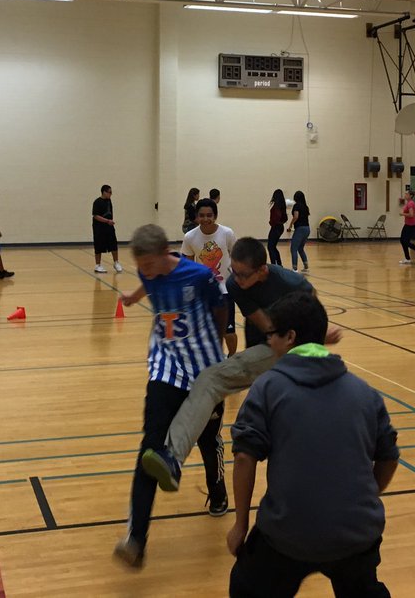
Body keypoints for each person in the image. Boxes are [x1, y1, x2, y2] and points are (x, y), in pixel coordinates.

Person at [226, 291, 400, 597]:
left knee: (246, 587)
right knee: (360, 584)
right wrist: (365, 497)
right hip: (357, 532)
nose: (269, 343)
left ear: (290, 337)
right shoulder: (365, 392)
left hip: (288, 533)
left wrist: (240, 524)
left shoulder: (267, 387)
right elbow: (388, 456)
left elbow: (244, 458)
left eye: (272, 335)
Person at [138, 237, 333, 496]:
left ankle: (173, 457)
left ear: (262, 270)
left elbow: (306, 318)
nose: (236, 280)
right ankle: (175, 457)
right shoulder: (235, 285)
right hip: (272, 344)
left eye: (243, 275)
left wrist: (316, 335)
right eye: (234, 272)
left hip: (287, 349)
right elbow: (266, 327)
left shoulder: (291, 282)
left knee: (210, 380)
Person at [113, 224, 229, 568]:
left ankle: (217, 490)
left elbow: (222, 308)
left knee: (208, 438)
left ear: (166, 253)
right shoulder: (147, 273)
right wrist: (134, 296)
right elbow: (148, 284)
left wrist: (217, 345)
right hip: (165, 366)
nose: (144, 272)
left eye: (148, 265)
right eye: (141, 267)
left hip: (205, 369)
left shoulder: (200, 276)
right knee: (150, 449)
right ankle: (136, 540)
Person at [182, 198, 237, 355]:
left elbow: (237, 256)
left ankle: (232, 359)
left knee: (229, 331)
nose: (205, 219)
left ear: (215, 216)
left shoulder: (227, 233)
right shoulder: (190, 237)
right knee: (206, 330)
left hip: (225, 290)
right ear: (197, 217)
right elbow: (188, 267)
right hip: (203, 291)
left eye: (209, 215)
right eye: (202, 215)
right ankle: (213, 358)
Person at [92, 184, 122, 274]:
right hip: (99, 228)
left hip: (109, 226)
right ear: (104, 192)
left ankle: (116, 262)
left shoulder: (109, 201)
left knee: (113, 243)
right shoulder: (97, 202)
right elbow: (96, 216)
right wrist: (107, 221)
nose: (111, 194)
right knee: (98, 245)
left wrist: (110, 222)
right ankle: (98, 265)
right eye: (109, 192)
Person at [287, 190, 311, 272]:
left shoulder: (296, 206)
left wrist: (290, 225)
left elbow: (296, 216)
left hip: (300, 229)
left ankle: (294, 268)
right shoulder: (305, 206)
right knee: (300, 248)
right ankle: (306, 265)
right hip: (307, 229)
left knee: (293, 248)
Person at [266, 189, 287, 265]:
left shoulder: (276, 207)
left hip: (276, 227)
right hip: (280, 227)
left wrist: (272, 222)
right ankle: (279, 263)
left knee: (270, 247)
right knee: (273, 247)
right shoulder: (282, 206)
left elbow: (276, 217)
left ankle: (274, 264)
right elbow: (285, 218)